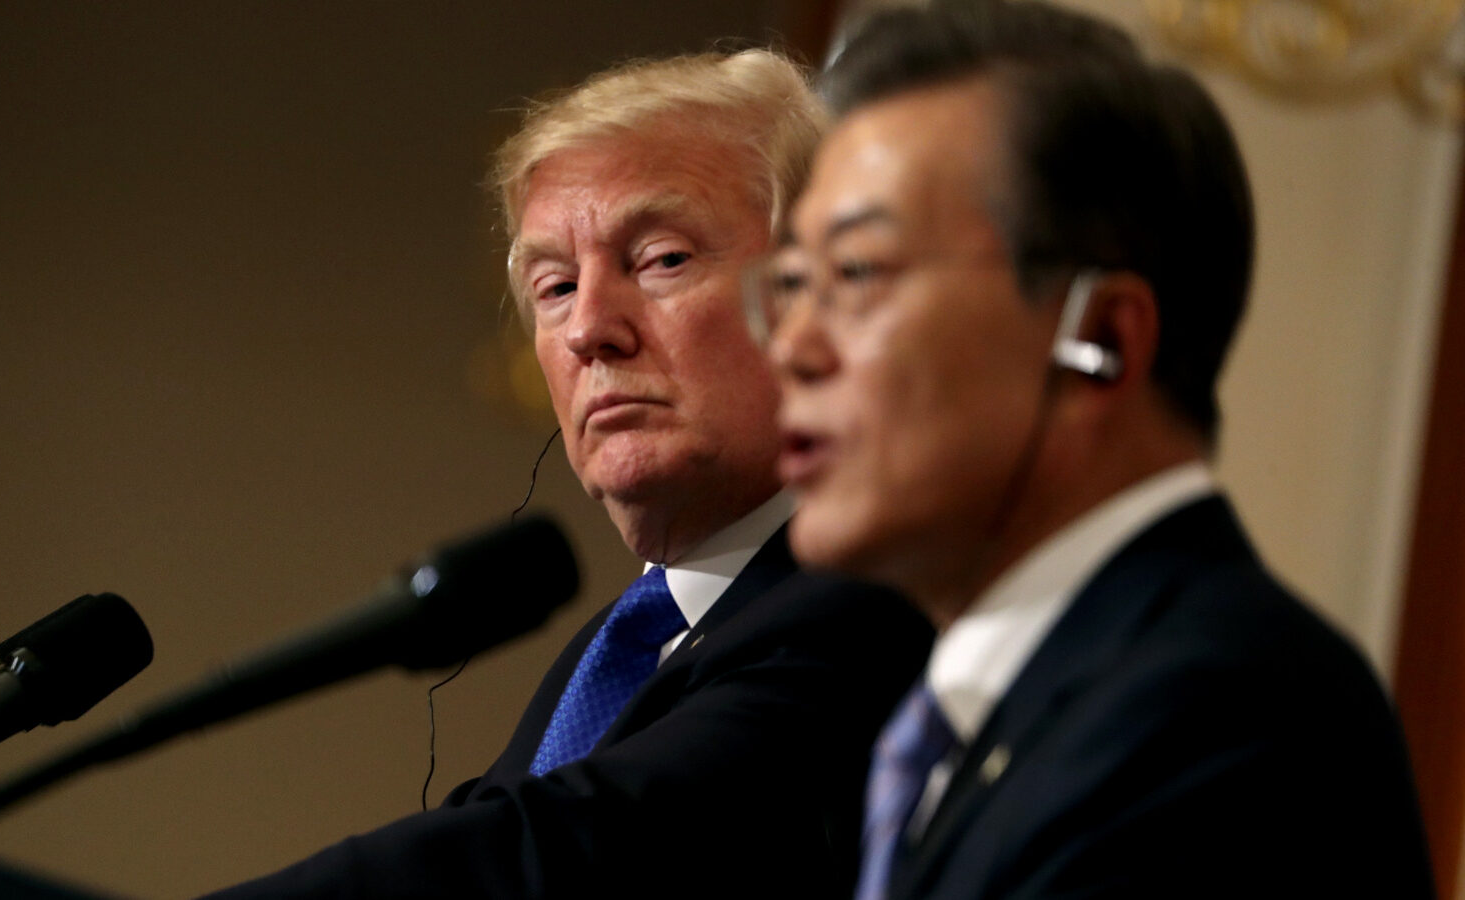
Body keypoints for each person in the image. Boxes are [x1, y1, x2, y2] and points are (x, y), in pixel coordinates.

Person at [205, 49, 931, 899]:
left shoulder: (878, 599)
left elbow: (566, 853)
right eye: (555, 287)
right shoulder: (621, 649)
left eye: (662, 259)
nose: (590, 328)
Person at [757, 2, 1435, 897]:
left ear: (1103, 341)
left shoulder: (1225, 717)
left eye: (856, 273)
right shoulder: (991, 715)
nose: (791, 346)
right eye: (792, 284)